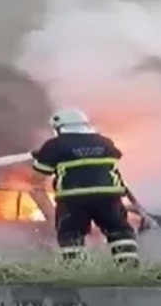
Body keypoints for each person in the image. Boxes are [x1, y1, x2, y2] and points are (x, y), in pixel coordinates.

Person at [30, 108, 140, 267]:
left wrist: (42, 157)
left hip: (74, 199)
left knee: (71, 234)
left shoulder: (54, 145)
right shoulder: (105, 142)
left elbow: (37, 178)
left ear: (58, 128)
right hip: (108, 196)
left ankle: (76, 270)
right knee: (119, 231)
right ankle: (128, 268)